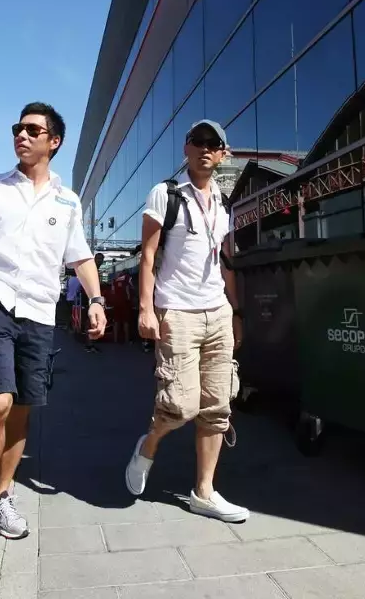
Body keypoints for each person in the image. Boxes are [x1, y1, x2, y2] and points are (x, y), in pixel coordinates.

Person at [0, 102, 107, 560]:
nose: (22, 136)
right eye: (18, 128)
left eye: (33, 130)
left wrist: (96, 299)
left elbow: (81, 258)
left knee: (24, 410)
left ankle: (5, 491)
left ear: (55, 142)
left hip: (41, 312)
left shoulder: (68, 203)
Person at [125, 119, 248, 523]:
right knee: (179, 405)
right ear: (186, 147)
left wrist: (236, 312)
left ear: (223, 153)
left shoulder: (226, 203)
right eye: (198, 141)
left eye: (213, 144)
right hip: (176, 311)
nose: (205, 149)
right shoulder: (166, 194)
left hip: (217, 312)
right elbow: (147, 257)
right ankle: (149, 444)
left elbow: (226, 262)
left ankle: (204, 492)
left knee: (217, 406)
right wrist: (146, 308)